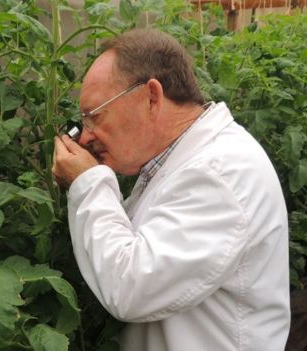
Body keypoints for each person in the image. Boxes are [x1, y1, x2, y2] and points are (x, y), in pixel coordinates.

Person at [52, 29, 290, 350]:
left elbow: (131, 288)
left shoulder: (221, 173)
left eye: (94, 116)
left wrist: (87, 183)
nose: (85, 137)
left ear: (152, 96)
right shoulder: (178, 161)